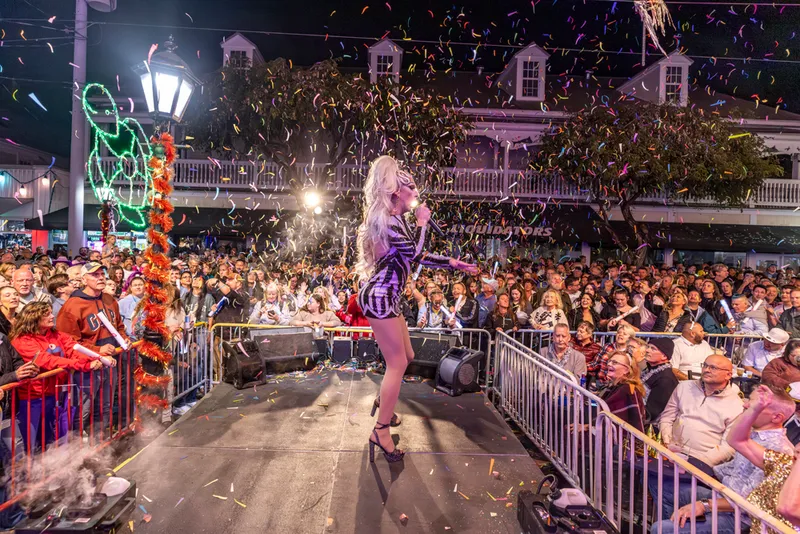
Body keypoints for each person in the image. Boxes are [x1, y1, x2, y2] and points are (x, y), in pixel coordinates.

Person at [354, 155, 477, 463]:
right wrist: (422, 223)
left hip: (389, 296)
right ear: (397, 192)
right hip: (380, 296)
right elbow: (414, 252)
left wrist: (452, 263)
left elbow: (418, 256)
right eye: (411, 187)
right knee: (396, 363)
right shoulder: (387, 221)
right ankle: (381, 430)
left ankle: (384, 402)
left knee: (407, 356)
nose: (416, 192)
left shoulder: (396, 221)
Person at [651, 385, 796, 533]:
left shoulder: (780, 449)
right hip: (723, 495)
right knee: (660, 483)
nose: (745, 405)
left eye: (755, 406)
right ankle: (678, 522)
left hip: (740, 516)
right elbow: (730, 461)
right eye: (749, 401)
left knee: (661, 529)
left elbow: (748, 501)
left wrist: (704, 505)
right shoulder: (754, 435)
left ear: (776, 417)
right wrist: (691, 466)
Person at [11, 302, 105, 451]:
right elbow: (48, 360)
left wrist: (96, 358)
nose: (52, 316)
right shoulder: (22, 340)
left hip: (54, 393)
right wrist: (84, 365)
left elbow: (73, 350)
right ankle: (29, 465)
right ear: (34, 317)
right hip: (32, 396)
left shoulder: (56, 334)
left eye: (51, 312)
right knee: (30, 440)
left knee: (50, 437)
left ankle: (51, 464)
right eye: (47, 314)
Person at [55, 261, 129, 437]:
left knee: (105, 405)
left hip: (110, 362)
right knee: (83, 408)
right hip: (87, 366)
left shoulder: (109, 299)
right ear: (83, 279)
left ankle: (100, 441)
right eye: (95, 275)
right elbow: (68, 341)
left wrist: (123, 337)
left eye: (102, 274)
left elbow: (118, 325)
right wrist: (97, 350)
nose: (100, 278)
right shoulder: (73, 305)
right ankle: (76, 445)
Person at [725, 385, 800, 532]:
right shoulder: (785, 463)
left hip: (739, 520)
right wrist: (755, 408)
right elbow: (737, 441)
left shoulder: (785, 453)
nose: (797, 447)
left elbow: (787, 509)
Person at [659, 354, 744, 467]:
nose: (706, 370)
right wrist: (667, 441)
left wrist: (699, 462)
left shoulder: (736, 405)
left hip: (703, 461)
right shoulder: (684, 387)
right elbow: (667, 417)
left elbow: (728, 447)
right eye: (705, 365)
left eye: (713, 368)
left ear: (728, 375)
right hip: (672, 450)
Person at [597, 351, 646, 431]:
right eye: (609, 361)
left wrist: (588, 426)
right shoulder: (615, 386)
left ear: (626, 370)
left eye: (614, 362)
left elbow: (611, 415)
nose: (609, 364)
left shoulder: (628, 389)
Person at [638, 339, 679, 427]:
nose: (647, 350)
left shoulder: (665, 379)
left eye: (653, 348)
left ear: (664, 356)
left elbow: (651, 413)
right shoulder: (650, 370)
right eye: (648, 347)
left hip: (652, 427)